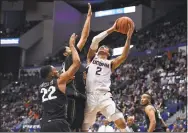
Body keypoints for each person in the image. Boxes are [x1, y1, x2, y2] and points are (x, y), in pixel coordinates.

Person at [82, 21, 134, 132]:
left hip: (104, 96)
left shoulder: (110, 63)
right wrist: (112, 28)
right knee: (84, 128)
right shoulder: (91, 58)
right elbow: (95, 39)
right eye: (101, 46)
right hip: (89, 97)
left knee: (120, 122)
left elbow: (124, 56)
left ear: (108, 53)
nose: (102, 47)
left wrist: (128, 38)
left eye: (105, 47)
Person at [59, 3, 92, 132]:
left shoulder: (73, 63)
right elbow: (84, 38)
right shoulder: (69, 59)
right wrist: (88, 17)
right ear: (65, 53)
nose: (71, 48)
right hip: (72, 97)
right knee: (72, 128)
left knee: (80, 128)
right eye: (69, 48)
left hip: (80, 97)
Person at [39, 33, 80, 132]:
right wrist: (71, 45)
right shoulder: (59, 81)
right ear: (51, 74)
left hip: (44, 125)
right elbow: (77, 63)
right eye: (54, 70)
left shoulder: (40, 88)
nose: (57, 71)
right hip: (58, 122)